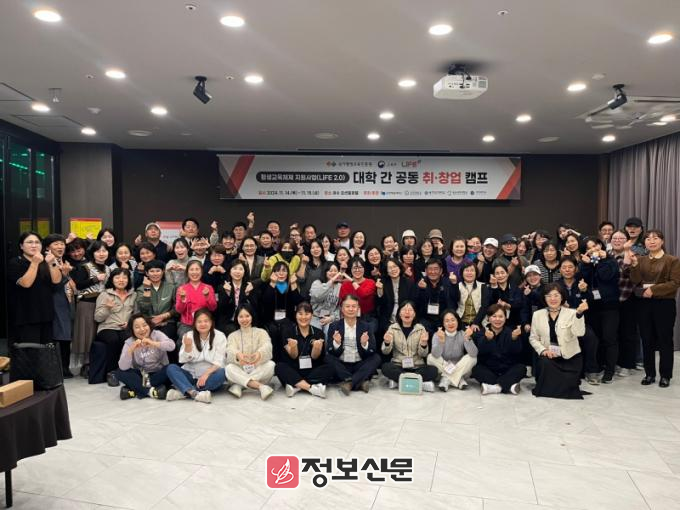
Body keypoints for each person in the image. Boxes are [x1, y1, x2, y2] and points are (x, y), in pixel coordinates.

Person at [630, 229, 680, 387]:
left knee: (665, 340)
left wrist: (654, 290)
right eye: (648, 239)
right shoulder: (640, 260)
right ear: (644, 242)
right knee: (646, 339)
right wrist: (634, 266)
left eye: (655, 238)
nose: (651, 241)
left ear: (662, 241)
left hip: (664, 304)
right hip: (644, 304)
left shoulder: (672, 260)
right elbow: (635, 280)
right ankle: (649, 374)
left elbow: (675, 283)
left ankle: (665, 375)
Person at [530, 283, 588, 399]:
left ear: (562, 297)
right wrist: (543, 351)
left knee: (567, 385)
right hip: (550, 357)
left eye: (556, 295)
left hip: (569, 358)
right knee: (544, 363)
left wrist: (579, 314)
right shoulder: (537, 315)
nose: (553, 299)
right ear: (544, 298)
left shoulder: (572, 313)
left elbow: (579, 333)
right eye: (549, 296)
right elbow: (533, 338)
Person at [7, 231, 63, 343]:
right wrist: (35, 263)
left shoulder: (46, 261)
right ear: (21, 246)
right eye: (30, 242)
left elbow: (57, 281)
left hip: (46, 314)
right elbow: (26, 283)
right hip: (26, 316)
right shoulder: (16, 262)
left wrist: (52, 263)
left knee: (46, 350)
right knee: (29, 351)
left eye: (37, 242)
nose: (34, 245)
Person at [579, 237, 620, 384]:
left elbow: (605, 276)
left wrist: (602, 260)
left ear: (600, 245)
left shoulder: (610, 260)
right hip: (592, 306)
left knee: (609, 338)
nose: (592, 249)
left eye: (595, 245)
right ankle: (599, 366)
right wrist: (587, 264)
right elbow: (583, 279)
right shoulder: (586, 263)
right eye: (588, 247)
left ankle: (610, 370)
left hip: (610, 306)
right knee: (596, 338)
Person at [166, 309, 227, 403]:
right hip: (191, 375)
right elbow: (182, 360)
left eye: (206, 321)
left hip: (209, 377)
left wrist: (206, 374)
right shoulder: (188, 335)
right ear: (194, 323)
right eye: (199, 321)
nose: (203, 324)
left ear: (211, 322)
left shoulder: (219, 336)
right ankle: (195, 393)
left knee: (223, 372)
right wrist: (188, 348)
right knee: (171, 368)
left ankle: (185, 391)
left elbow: (220, 361)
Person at [556, 256, 600, 385]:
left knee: (591, 338)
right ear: (560, 270)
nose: (567, 270)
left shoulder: (582, 283)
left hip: (581, 321)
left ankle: (591, 371)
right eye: (564, 267)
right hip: (562, 323)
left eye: (570, 267)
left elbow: (593, 301)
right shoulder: (556, 285)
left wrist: (585, 291)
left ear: (575, 269)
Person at [326, 294, 381, 394]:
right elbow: (330, 350)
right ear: (342, 309)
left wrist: (364, 344)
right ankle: (360, 381)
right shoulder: (334, 326)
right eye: (347, 306)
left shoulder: (366, 326)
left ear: (358, 308)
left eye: (354, 306)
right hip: (342, 364)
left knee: (376, 358)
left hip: (359, 363)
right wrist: (336, 343)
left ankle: (349, 382)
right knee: (327, 358)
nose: (351, 309)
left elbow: (372, 350)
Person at [275, 302, 332, 398]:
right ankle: (312, 388)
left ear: (312, 315)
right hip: (294, 369)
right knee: (279, 367)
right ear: (296, 315)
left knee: (330, 367)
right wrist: (293, 347)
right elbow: (293, 356)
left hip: (312, 369)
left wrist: (316, 348)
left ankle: (296, 386)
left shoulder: (318, 333)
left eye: (307, 314)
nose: (303, 317)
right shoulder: (287, 331)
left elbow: (315, 357)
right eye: (300, 314)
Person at [71, 240, 111, 374]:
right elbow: (78, 285)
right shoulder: (84, 267)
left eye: (104, 251)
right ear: (92, 253)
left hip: (102, 304)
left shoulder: (108, 268)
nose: (101, 253)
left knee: (97, 335)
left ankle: (98, 363)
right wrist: (95, 279)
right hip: (87, 304)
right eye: (98, 251)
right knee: (87, 335)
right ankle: (86, 364)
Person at [91, 268, 136, 384]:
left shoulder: (133, 295)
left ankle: (127, 370)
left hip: (126, 327)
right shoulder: (104, 295)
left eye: (124, 277)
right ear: (112, 279)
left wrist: (130, 323)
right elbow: (97, 318)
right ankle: (112, 372)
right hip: (107, 327)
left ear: (128, 280)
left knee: (128, 340)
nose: (121, 280)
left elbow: (136, 314)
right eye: (117, 277)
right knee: (113, 340)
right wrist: (107, 308)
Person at [381, 301, 437, 391]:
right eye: (404, 310)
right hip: (399, 366)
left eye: (410, 310)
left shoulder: (420, 329)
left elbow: (423, 354)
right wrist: (387, 342)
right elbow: (385, 352)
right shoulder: (392, 328)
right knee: (386, 367)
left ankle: (400, 381)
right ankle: (418, 382)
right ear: (399, 313)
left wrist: (423, 344)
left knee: (433, 370)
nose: (407, 312)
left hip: (417, 366)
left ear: (414, 314)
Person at [116, 313, 174, 400]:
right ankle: (151, 392)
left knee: (171, 368)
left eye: (144, 325)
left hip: (157, 374)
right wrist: (131, 349)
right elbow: (123, 367)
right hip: (141, 376)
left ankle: (134, 390)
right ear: (132, 330)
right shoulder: (129, 342)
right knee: (120, 372)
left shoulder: (157, 334)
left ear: (149, 325)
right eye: (137, 327)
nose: (142, 329)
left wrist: (153, 343)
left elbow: (171, 346)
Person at [471, 304, 526, 395]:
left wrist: (514, 339)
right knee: (476, 370)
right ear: (488, 318)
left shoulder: (511, 332)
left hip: (507, 369)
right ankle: (508, 386)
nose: (497, 319)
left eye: (501, 316)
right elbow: (481, 351)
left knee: (522, 368)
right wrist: (487, 339)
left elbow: (517, 351)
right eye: (494, 316)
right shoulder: (482, 332)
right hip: (489, 369)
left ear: (505, 318)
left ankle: (495, 387)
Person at [225, 303, 276, 400]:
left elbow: (267, 346)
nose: (244, 319)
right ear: (236, 318)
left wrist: (259, 353)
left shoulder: (261, 332)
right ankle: (260, 386)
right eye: (241, 316)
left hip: (257, 368)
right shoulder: (232, 335)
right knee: (228, 368)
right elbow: (230, 350)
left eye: (247, 316)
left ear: (252, 316)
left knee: (271, 365)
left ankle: (240, 385)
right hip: (240, 368)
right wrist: (237, 355)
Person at [44, 234, 76, 377]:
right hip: (54, 302)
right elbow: (54, 285)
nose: (60, 247)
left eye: (62, 244)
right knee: (58, 334)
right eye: (56, 244)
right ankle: (59, 368)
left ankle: (65, 367)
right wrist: (64, 274)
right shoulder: (45, 262)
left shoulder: (64, 260)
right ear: (47, 247)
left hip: (67, 301)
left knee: (66, 335)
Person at [259, 261, 303, 361]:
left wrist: (293, 284)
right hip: (271, 320)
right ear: (273, 273)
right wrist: (272, 283)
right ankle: (274, 360)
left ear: (288, 273)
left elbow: (298, 302)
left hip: (288, 319)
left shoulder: (291, 285)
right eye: (278, 271)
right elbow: (266, 301)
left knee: (286, 328)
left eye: (284, 270)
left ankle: (286, 360)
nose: (281, 273)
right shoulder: (267, 285)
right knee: (273, 330)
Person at [608, 230, 637, 376]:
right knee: (613, 333)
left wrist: (626, 251)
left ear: (627, 241)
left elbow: (627, 271)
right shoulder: (606, 255)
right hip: (610, 300)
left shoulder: (632, 255)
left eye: (621, 238)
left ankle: (627, 364)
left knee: (627, 333)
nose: (617, 240)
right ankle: (615, 362)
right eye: (615, 238)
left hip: (626, 298)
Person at [135, 260, 178, 354]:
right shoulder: (141, 289)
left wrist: (164, 316)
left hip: (167, 322)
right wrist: (147, 290)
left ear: (163, 271)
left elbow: (177, 307)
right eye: (152, 271)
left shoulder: (171, 287)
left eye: (158, 271)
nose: (155, 274)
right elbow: (143, 310)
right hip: (148, 323)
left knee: (166, 337)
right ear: (147, 273)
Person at [427, 310, 478, 390]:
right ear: (443, 324)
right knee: (430, 357)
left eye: (453, 320)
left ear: (457, 321)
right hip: (443, 368)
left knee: (472, 358)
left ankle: (446, 379)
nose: (450, 323)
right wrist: (441, 341)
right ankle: (459, 379)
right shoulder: (438, 335)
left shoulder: (463, 333)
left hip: (461, 368)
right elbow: (435, 355)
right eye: (447, 321)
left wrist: (467, 338)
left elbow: (474, 353)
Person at [175, 260, 217, 340]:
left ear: (201, 272)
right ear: (187, 272)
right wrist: (183, 299)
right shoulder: (181, 288)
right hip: (187, 324)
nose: (194, 272)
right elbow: (179, 310)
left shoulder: (208, 288)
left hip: (204, 323)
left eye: (197, 269)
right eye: (191, 269)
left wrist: (207, 296)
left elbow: (213, 308)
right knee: (186, 340)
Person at [415, 258, 459, 333]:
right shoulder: (421, 283)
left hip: (444, 318)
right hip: (426, 319)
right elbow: (417, 304)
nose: (433, 272)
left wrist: (454, 284)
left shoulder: (447, 282)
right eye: (430, 269)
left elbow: (456, 298)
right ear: (426, 271)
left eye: (436, 269)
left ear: (441, 271)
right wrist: (423, 290)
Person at [376, 259, 416, 338]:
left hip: (405, 318)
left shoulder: (408, 283)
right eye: (390, 268)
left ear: (399, 268)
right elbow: (380, 304)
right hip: (388, 318)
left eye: (395, 266)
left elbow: (412, 303)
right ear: (387, 271)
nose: (393, 269)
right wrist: (380, 291)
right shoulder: (382, 282)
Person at [339, 257, 378, 335]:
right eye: (354, 268)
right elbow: (342, 303)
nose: (357, 270)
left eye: (360, 267)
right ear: (350, 269)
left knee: (367, 337)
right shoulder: (345, 285)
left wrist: (352, 281)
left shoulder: (370, 282)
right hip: (349, 316)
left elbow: (363, 294)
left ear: (364, 269)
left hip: (368, 317)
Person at [216, 259, 255, 336]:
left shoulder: (249, 286)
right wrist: (227, 294)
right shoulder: (223, 287)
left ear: (244, 272)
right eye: (235, 268)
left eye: (241, 269)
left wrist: (247, 295)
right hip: (228, 321)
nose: (237, 272)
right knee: (232, 330)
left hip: (245, 320)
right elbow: (221, 309)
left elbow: (254, 308)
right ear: (230, 271)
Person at [309, 262, 343, 333]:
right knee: (315, 333)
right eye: (330, 271)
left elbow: (339, 307)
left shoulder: (340, 286)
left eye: (335, 271)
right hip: (315, 317)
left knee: (329, 331)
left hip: (330, 318)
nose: (333, 273)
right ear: (325, 272)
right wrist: (331, 282)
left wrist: (331, 318)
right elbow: (318, 296)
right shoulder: (317, 283)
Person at [456, 262, 490, 329]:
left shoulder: (483, 286)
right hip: (460, 322)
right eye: (466, 270)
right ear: (462, 273)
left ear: (476, 273)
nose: (469, 273)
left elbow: (484, 306)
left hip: (479, 322)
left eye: (472, 270)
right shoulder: (457, 286)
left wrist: (475, 323)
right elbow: (453, 305)